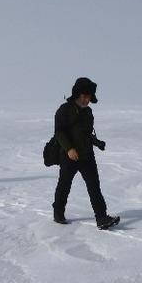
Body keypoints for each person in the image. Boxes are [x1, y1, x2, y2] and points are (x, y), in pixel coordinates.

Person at [52, 77, 120, 230]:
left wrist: (97, 142)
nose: (87, 99)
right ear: (79, 94)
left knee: (94, 186)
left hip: (87, 155)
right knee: (64, 184)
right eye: (85, 96)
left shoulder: (88, 112)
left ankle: (101, 217)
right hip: (69, 156)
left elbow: (86, 134)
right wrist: (69, 149)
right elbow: (59, 132)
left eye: (89, 96)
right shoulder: (64, 110)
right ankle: (58, 212)